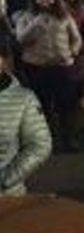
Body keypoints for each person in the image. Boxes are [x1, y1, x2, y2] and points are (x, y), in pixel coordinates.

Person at [15, 0, 82, 151]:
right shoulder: (26, 18)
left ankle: (69, 138)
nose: (45, 1)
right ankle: (49, 140)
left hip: (61, 66)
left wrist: (72, 52)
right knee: (43, 105)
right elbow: (20, 40)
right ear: (35, 0)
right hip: (37, 67)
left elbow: (76, 38)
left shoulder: (64, 17)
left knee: (66, 104)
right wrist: (36, 23)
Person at [0, 37, 52, 196]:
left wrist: (5, 179)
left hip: (6, 199)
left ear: (3, 61)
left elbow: (39, 145)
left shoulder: (24, 99)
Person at [53, 0, 84, 118]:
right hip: (56, 52)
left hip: (77, 50)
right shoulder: (47, 7)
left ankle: (80, 102)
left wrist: (82, 46)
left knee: (79, 78)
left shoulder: (77, 5)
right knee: (61, 82)